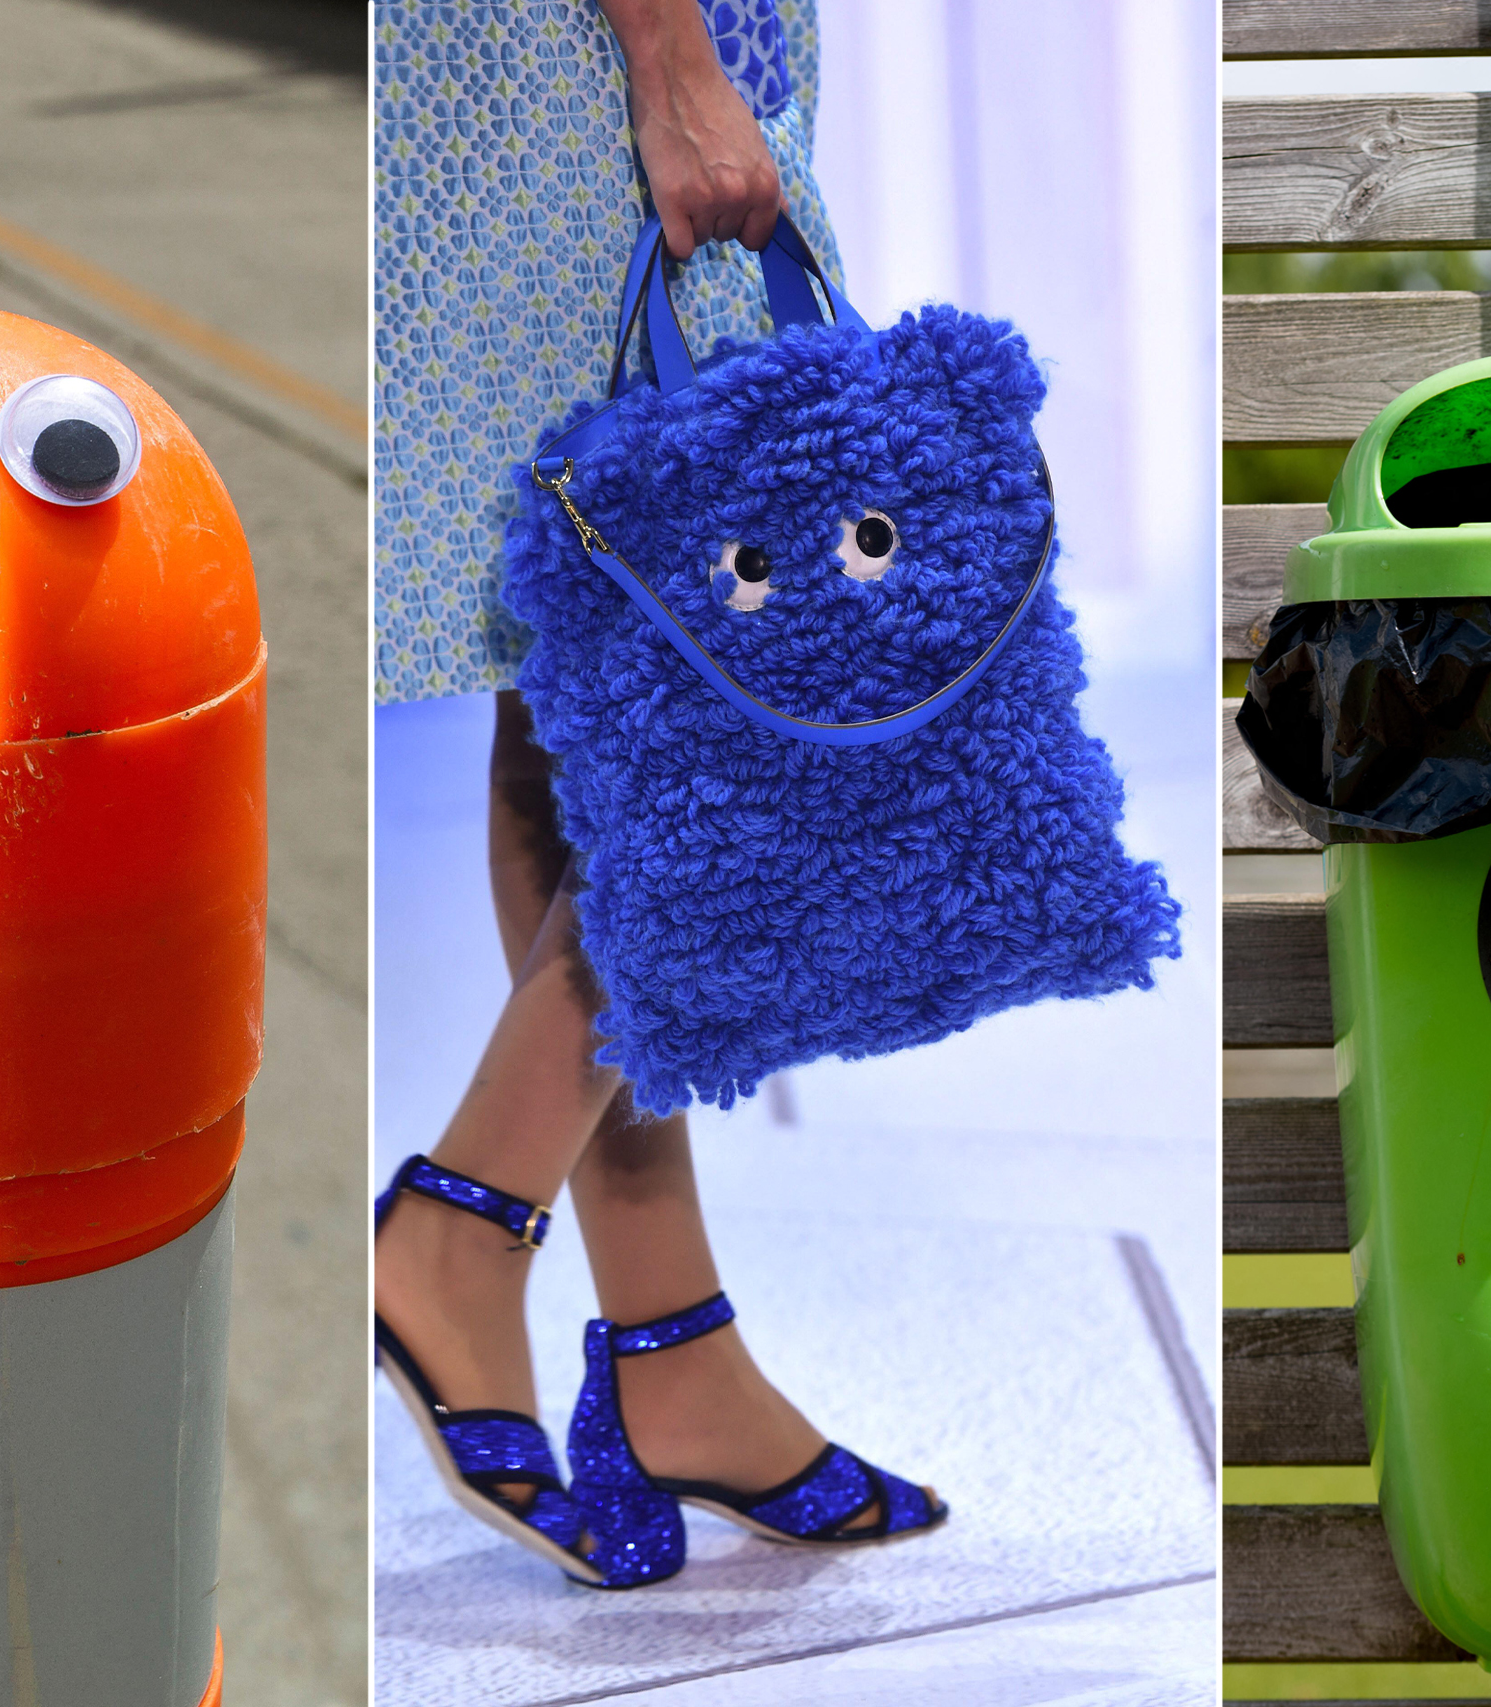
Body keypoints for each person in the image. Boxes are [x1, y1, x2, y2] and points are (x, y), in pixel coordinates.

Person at [372, 0, 941, 1588]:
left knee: (589, 668)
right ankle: (460, 1224)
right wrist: (673, 62)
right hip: (584, 64)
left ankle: (666, 1340)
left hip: (577, 61)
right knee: (746, 683)